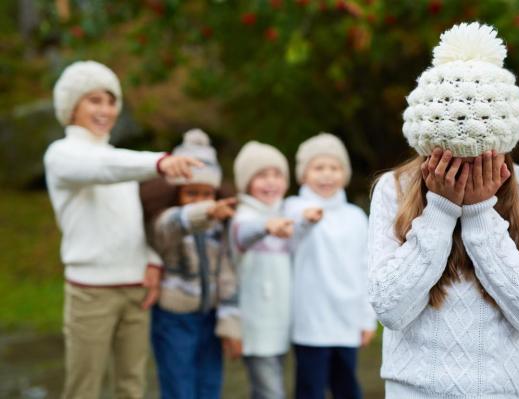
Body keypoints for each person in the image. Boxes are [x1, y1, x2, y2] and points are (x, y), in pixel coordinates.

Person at [368, 22, 519, 398]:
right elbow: (391, 310)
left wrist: (478, 213)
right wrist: (440, 211)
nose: (465, 165)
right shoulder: (395, 189)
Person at [44, 60, 200, 399]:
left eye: (111, 101)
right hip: (91, 293)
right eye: (94, 100)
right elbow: (101, 168)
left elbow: (129, 222)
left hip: (135, 291)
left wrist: (152, 260)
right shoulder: (62, 156)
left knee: (132, 387)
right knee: (83, 389)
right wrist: (158, 162)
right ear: (72, 106)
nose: (105, 110)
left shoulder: (120, 161)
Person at [147, 129, 240, 399]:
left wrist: (230, 323)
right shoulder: (167, 221)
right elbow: (171, 225)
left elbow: (226, 272)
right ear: (176, 193)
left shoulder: (218, 228)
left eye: (206, 193)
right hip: (174, 319)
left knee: (210, 386)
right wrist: (206, 211)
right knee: (179, 387)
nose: (199, 200)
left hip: (209, 317)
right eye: (191, 193)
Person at [286, 133, 376, 399]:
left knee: (347, 388)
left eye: (334, 168)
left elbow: (366, 267)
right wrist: (306, 219)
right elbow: (291, 233)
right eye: (318, 168)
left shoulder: (355, 216)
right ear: (304, 174)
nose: (327, 175)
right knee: (310, 389)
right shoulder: (295, 207)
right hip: (310, 321)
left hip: (347, 319)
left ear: (344, 173)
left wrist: (366, 317)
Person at [231, 141, 319, 399]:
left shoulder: (283, 212)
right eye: (261, 175)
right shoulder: (243, 217)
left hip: (280, 323)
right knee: (271, 392)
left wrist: (307, 222)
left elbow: (291, 237)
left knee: (266, 391)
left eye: (277, 174)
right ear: (246, 182)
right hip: (255, 326)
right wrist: (267, 226)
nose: (271, 182)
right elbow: (245, 234)